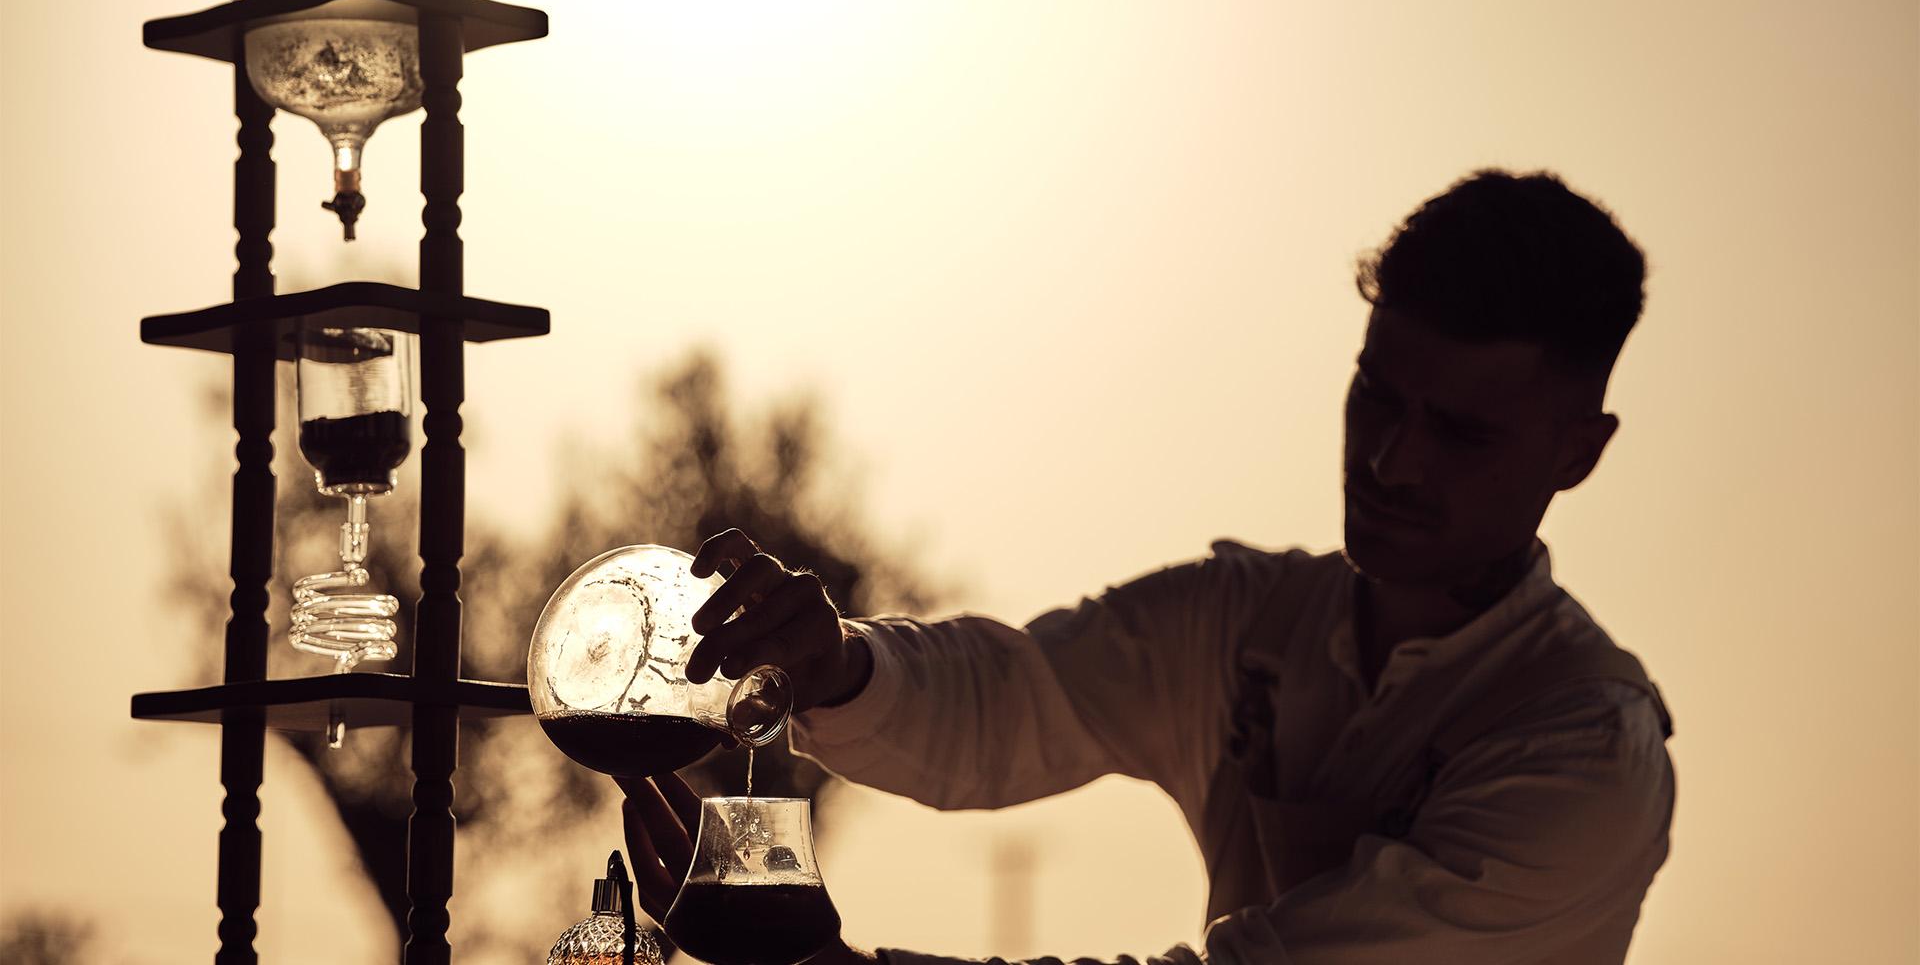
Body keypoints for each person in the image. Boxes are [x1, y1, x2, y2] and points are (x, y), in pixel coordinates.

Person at [618, 169, 1676, 964]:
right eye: (1377, 396)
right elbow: (1010, 702)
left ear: (1578, 453)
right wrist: (838, 666)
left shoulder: (1583, 750)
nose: (1392, 460)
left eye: (1463, 433)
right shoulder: (1245, 618)